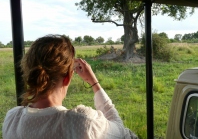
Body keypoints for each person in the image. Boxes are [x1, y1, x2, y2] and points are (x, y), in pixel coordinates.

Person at [2, 35, 138, 139]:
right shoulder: (81, 123)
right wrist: (94, 83)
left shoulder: (12, 119)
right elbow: (120, 130)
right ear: (67, 77)